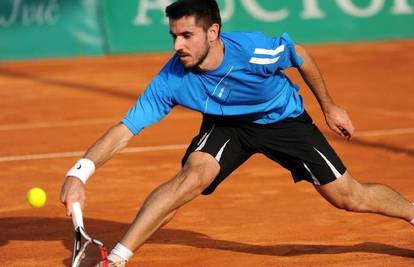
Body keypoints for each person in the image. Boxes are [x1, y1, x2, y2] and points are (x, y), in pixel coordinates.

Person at [60, 0, 414, 266]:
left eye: (186, 36)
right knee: (191, 178)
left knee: (349, 197)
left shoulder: (253, 50)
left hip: (282, 120)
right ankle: (117, 258)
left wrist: (329, 107)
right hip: (226, 125)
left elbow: (300, 55)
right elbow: (125, 130)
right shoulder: (171, 78)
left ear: (212, 33)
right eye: (173, 36)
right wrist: (80, 173)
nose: (176, 47)